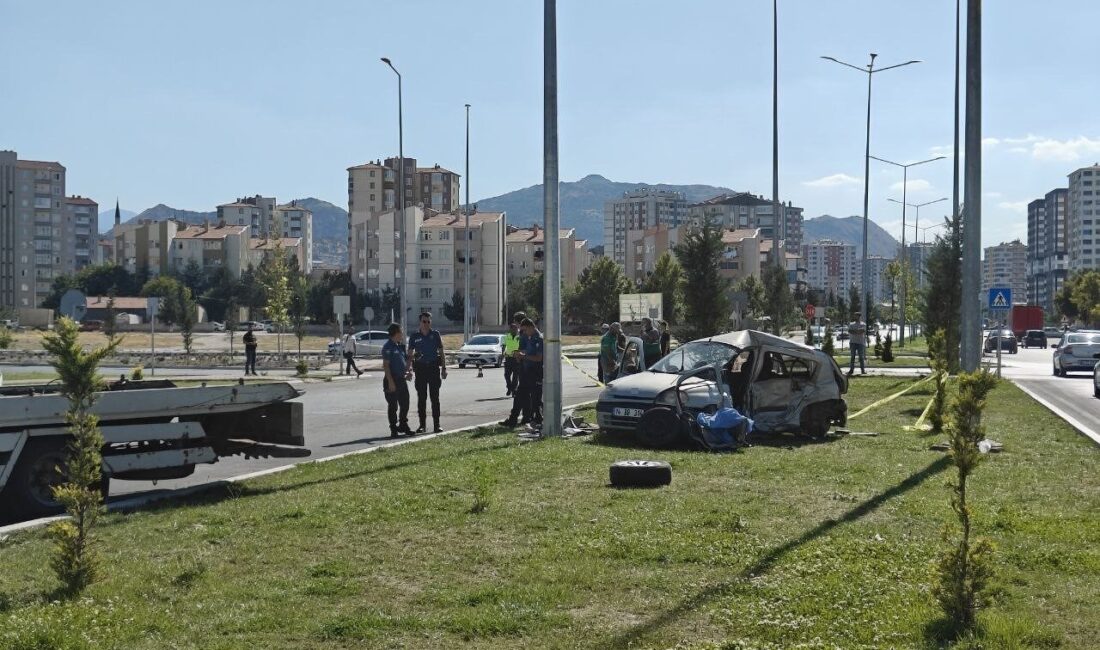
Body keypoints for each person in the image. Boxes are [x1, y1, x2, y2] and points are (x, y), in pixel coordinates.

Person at [407, 312, 447, 433]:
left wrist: (444, 368)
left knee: (435, 398)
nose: (426, 324)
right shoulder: (414, 336)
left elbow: (441, 352)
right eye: (424, 321)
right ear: (420, 322)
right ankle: (422, 425)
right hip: (421, 369)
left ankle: (437, 425)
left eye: (429, 321)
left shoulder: (435, 334)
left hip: (433, 368)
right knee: (421, 398)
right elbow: (410, 355)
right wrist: (409, 370)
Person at [501, 318, 544, 427]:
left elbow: (538, 358)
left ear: (531, 327)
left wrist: (524, 356)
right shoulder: (526, 336)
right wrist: (518, 355)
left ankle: (537, 419)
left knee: (535, 398)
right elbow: (523, 350)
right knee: (519, 396)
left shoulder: (539, 339)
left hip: (536, 371)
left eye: (524, 330)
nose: (523, 332)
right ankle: (513, 419)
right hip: (525, 370)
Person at [381, 323, 412, 438]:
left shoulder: (399, 346)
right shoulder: (388, 347)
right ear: (396, 333)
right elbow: (386, 366)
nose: (402, 334)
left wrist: (407, 373)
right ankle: (393, 428)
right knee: (393, 406)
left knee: (405, 403)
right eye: (401, 332)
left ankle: (403, 425)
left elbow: (402, 363)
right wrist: (390, 382)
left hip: (401, 379)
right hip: (391, 379)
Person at [502, 320, 521, 396]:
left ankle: (514, 390)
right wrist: (503, 353)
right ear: (510, 329)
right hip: (508, 358)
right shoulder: (506, 337)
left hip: (516, 358)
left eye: (516, 329)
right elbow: (504, 346)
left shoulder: (519, 337)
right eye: (513, 329)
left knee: (515, 376)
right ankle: (509, 387)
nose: (515, 330)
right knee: (506, 375)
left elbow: (521, 347)